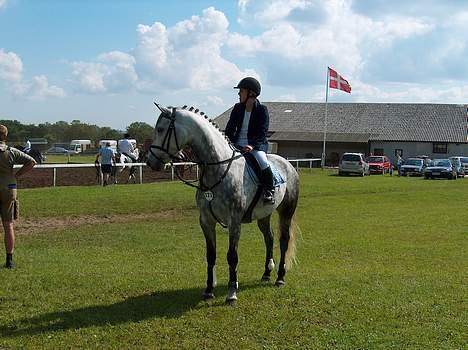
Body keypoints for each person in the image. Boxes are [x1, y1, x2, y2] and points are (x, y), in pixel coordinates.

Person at [225, 77, 275, 203]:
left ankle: (269, 190)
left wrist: (252, 145)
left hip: (255, 147)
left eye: (241, 91)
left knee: (263, 161)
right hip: (236, 145)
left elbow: (262, 132)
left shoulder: (262, 110)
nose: (238, 94)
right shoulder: (237, 108)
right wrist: (228, 142)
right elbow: (230, 129)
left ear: (251, 94)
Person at [0, 125, 36, 269]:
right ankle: (9, 260)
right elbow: (32, 162)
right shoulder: (11, 151)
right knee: (8, 224)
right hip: (9, 188)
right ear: (5, 136)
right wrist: (16, 176)